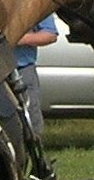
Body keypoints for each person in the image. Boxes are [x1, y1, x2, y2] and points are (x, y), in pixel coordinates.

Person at [13, 11, 62, 140]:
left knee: (32, 121)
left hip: (23, 70)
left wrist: (17, 38)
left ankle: (36, 152)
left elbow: (50, 34)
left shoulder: (33, 0)